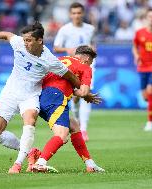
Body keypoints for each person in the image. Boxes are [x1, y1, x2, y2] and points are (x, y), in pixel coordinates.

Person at [0, 21, 81, 174]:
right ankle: (29, 151)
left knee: (30, 119)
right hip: (10, 92)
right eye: (24, 39)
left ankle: (17, 164)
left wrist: (83, 90)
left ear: (39, 40)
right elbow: (8, 35)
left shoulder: (50, 60)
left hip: (31, 95)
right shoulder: (19, 43)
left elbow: (71, 77)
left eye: (28, 40)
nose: (25, 43)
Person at [28, 45, 104, 173]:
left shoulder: (61, 59)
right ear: (86, 58)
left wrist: (82, 93)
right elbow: (84, 91)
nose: (90, 65)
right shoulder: (85, 67)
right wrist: (87, 95)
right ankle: (40, 162)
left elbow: (66, 85)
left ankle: (90, 164)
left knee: (73, 125)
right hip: (56, 98)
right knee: (62, 136)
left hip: (40, 98)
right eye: (90, 62)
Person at [53, 2, 96, 141]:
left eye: (79, 13)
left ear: (83, 14)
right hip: (71, 68)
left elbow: (94, 46)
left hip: (87, 66)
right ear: (70, 14)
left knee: (86, 93)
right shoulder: (65, 29)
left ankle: (83, 129)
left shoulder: (90, 29)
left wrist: (91, 51)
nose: (76, 15)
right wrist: (68, 50)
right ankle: (77, 122)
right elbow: (56, 47)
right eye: (74, 13)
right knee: (76, 98)